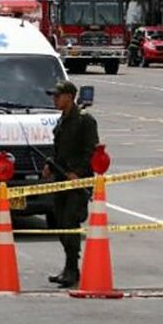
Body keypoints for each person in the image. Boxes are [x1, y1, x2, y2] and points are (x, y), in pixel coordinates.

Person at [41, 80, 99, 288]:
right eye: (53, 96)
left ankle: (72, 270)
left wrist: (78, 174)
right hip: (60, 180)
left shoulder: (85, 121)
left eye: (58, 96)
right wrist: (49, 164)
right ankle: (68, 267)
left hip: (76, 182)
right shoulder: (61, 121)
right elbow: (58, 150)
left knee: (70, 224)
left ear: (70, 96)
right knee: (60, 225)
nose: (54, 99)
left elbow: (91, 152)